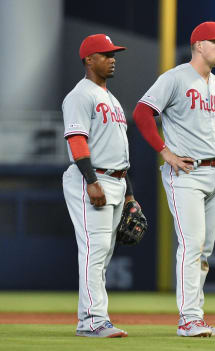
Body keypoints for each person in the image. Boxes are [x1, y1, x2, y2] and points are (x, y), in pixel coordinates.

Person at [133, 21, 215, 337]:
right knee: (192, 245)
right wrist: (165, 152)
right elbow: (141, 113)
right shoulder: (176, 78)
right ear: (198, 45)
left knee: (204, 251)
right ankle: (188, 320)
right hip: (186, 173)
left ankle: (196, 316)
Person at [62, 34, 138, 337]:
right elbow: (77, 140)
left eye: (113, 54)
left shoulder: (112, 99)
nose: (112, 58)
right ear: (88, 60)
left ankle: (88, 319)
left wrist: (130, 194)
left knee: (103, 253)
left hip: (116, 180)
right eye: (105, 54)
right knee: (96, 249)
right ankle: (94, 320)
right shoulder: (80, 95)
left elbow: (119, 150)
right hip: (92, 178)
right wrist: (92, 181)